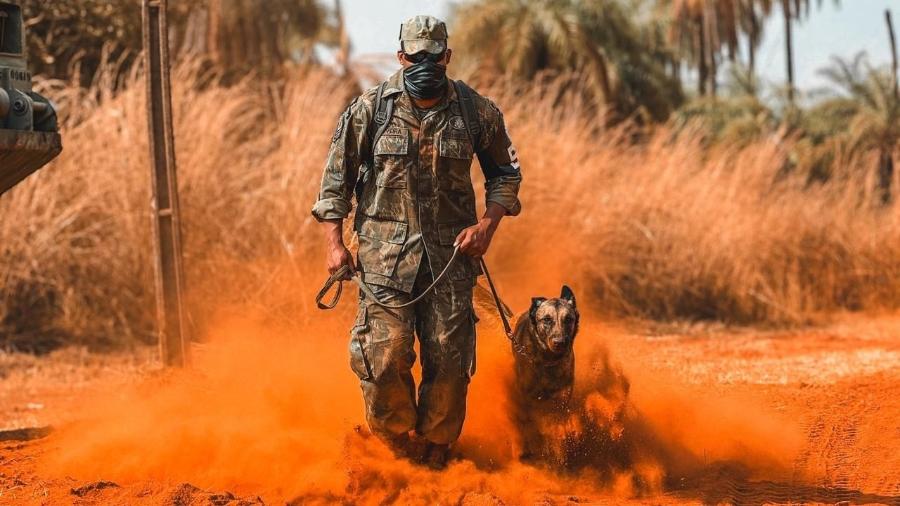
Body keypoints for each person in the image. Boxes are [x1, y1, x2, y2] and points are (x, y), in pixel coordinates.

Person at [311, 14, 523, 469]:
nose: (425, 62)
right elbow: (335, 183)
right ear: (401, 55)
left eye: (434, 55)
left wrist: (487, 226)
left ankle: (437, 453)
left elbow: (505, 174)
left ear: (447, 56)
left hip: (451, 262)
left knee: (448, 363)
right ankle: (393, 449)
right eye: (417, 55)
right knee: (384, 359)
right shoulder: (370, 109)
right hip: (384, 261)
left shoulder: (475, 112)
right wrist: (335, 243)